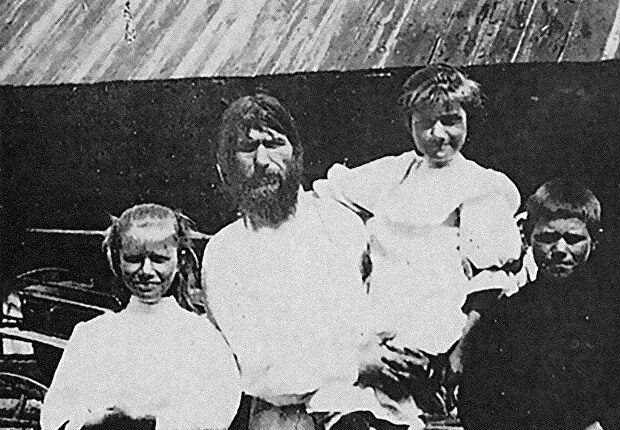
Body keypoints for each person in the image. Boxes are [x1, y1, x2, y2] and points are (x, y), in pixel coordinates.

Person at [312, 63, 523, 426]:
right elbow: (329, 197)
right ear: (409, 124)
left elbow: (490, 279)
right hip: (379, 324)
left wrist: (461, 350)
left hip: (437, 329)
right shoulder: (392, 173)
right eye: (424, 123)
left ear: (467, 119)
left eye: (450, 121)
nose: (438, 134)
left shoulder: (481, 186)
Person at [202, 93, 371, 430]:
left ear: (296, 153)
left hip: (359, 410)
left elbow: (368, 322)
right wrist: (358, 364)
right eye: (247, 148)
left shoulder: (341, 226)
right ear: (226, 165)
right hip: (280, 418)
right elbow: (262, 371)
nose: (262, 160)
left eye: (274, 143)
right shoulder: (224, 253)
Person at [458, 179, 620, 430]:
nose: (560, 249)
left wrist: (608, 426)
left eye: (573, 239)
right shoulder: (505, 317)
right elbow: (474, 404)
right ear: (528, 238)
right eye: (547, 237)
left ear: (594, 241)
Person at [40, 204, 241, 430]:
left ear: (180, 260)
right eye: (133, 259)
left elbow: (217, 411)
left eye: (159, 259)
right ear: (117, 260)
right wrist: (96, 422)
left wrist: (147, 423)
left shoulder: (202, 337)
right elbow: (55, 415)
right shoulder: (92, 335)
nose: (146, 271)